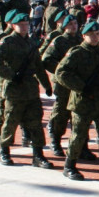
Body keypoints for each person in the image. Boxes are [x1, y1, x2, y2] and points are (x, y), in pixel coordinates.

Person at [55, 20, 99, 186]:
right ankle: (70, 166)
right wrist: (82, 87)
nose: (96, 37)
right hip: (82, 100)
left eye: (97, 34)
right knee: (78, 135)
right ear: (84, 36)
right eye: (91, 34)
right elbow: (61, 73)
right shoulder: (76, 52)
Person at [0, 13, 54, 169]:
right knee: (10, 121)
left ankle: (38, 155)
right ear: (13, 25)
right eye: (21, 24)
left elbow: (38, 66)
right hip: (14, 89)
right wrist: (10, 75)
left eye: (26, 24)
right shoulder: (7, 42)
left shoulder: (31, 43)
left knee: (36, 122)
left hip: (30, 88)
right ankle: (4, 151)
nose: (25, 26)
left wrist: (46, 85)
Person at [41, 16, 81, 157]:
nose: (73, 26)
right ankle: (55, 141)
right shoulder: (59, 41)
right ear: (64, 26)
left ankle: (80, 145)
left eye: (75, 23)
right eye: (70, 24)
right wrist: (62, 71)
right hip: (63, 83)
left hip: (78, 83)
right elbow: (47, 60)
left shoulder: (81, 39)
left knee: (79, 113)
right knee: (61, 113)